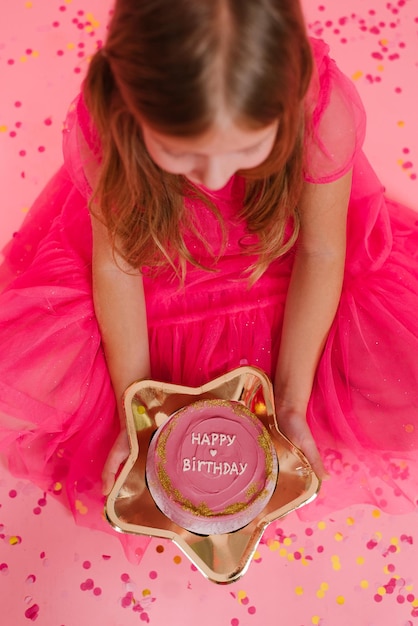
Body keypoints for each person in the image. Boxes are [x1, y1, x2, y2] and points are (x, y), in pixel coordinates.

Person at [1, 0, 418, 562]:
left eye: (247, 149)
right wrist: (139, 405)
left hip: (284, 262)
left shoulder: (321, 110)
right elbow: (117, 264)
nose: (217, 177)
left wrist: (290, 403)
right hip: (159, 265)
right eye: (181, 152)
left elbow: (322, 251)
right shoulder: (111, 121)